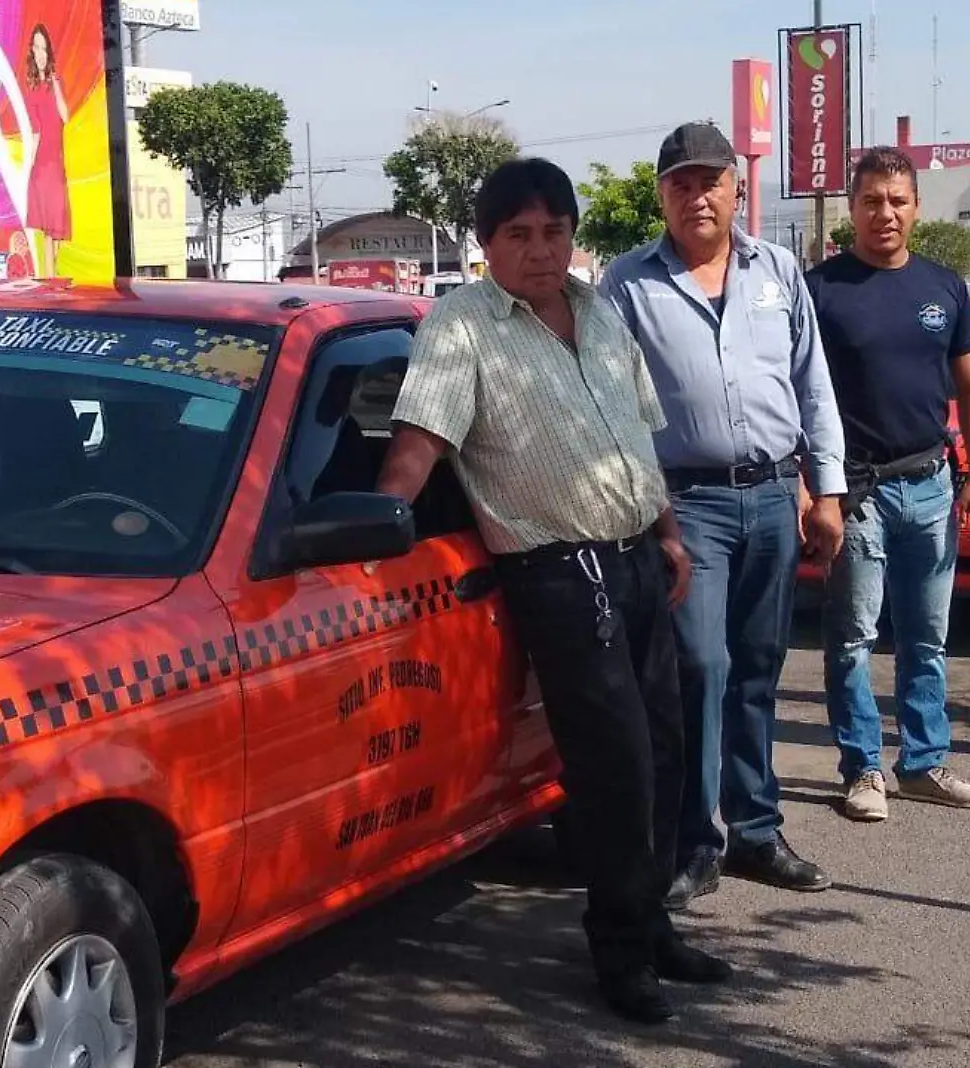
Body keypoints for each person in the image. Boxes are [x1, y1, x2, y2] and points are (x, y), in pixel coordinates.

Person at [377, 157, 731, 1024]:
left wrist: (670, 534)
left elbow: (639, 441)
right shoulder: (462, 327)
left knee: (666, 753)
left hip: (641, 562)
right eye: (518, 236)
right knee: (612, 770)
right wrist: (375, 520)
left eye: (554, 232)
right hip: (561, 576)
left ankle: (653, 928)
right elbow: (419, 444)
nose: (540, 252)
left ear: (573, 235)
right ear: (487, 244)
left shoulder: (601, 312)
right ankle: (618, 953)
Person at [600, 122, 847, 909]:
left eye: (711, 180)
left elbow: (813, 384)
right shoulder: (627, 284)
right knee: (700, 666)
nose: (697, 194)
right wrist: (652, 512)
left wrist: (828, 488)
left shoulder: (777, 271)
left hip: (775, 495)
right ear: (662, 195)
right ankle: (694, 842)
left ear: (738, 188)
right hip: (688, 505)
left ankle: (757, 830)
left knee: (758, 666)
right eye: (681, 182)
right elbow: (616, 409)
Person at [803, 147, 970, 821]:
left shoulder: (944, 287)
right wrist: (815, 489)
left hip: (931, 485)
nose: (884, 213)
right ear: (851, 210)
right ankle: (862, 770)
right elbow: (798, 393)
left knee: (926, 637)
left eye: (897, 200)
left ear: (916, 207)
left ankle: (922, 763)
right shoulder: (820, 289)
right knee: (853, 638)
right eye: (871, 201)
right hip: (857, 492)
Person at [22, 23, 71, 277]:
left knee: (59, 230)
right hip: (42, 164)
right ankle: (49, 282)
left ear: (48, 51)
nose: (40, 53)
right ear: (32, 50)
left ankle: (49, 278)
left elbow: (65, 116)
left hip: (57, 163)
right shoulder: (31, 88)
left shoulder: (56, 82)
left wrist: (56, 84)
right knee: (50, 232)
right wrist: (30, 164)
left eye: (44, 47)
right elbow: (35, 130)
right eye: (36, 47)